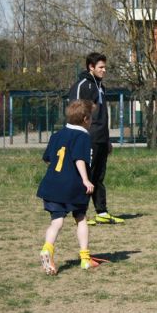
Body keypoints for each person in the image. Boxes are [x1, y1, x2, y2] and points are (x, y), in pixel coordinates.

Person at [37, 100, 99, 275]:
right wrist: (86, 180)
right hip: (73, 185)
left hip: (52, 184)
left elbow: (48, 158)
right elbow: (79, 159)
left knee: (56, 222)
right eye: (91, 118)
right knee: (80, 218)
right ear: (86, 119)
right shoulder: (83, 136)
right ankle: (85, 259)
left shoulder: (57, 135)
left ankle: (47, 249)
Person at [68, 52, 124, 225]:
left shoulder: (101, 86)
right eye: (101, 67)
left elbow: (102, 116)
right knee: (86, 175)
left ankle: (102, 212)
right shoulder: (82, 85)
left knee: (99, 176)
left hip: (101, 138)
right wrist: (78, 137)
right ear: (91, 67)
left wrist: (107, 140)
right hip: (87, 138)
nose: (104, 70)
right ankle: (81, 213)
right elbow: (75, 111)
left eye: (105, 67)